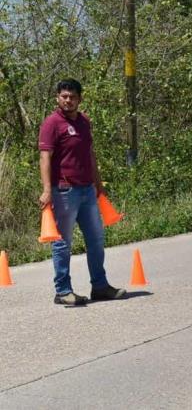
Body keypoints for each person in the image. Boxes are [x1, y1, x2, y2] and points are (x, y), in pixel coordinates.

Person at [38, 79, 126, 306]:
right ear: (57, 97)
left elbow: (89, 153)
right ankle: (63, 291)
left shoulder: (85, 121)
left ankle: (100, 286)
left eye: (72, 96)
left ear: (79, 99)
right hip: (64, 191)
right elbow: (45, 158)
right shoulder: (52, 123)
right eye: (64, 96)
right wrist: (47, 189)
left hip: (87, 190)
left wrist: (98, 183)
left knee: (96, 239)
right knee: (62, 243)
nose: (68, 100)